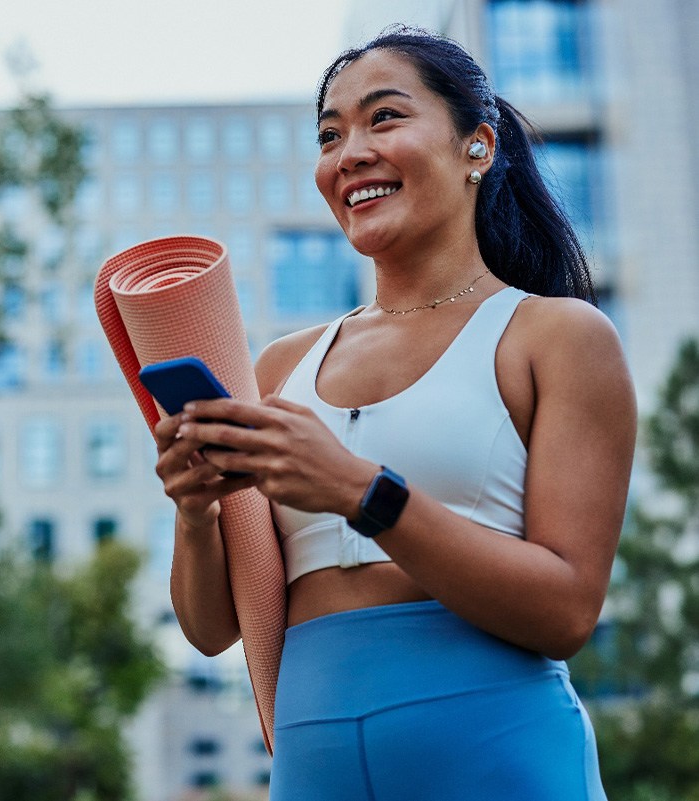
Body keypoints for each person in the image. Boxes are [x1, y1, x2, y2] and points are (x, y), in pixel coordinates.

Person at [153, 27, 637, 801]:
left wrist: (360, 490)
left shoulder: (557, 336)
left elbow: (567, 608)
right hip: (314, 768)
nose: (350, 152)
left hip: (499, 754)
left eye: (384, 118)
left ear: (476, 146)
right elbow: (214, 629)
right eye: (329, 134)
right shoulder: (280, 368)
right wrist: (195, 513)